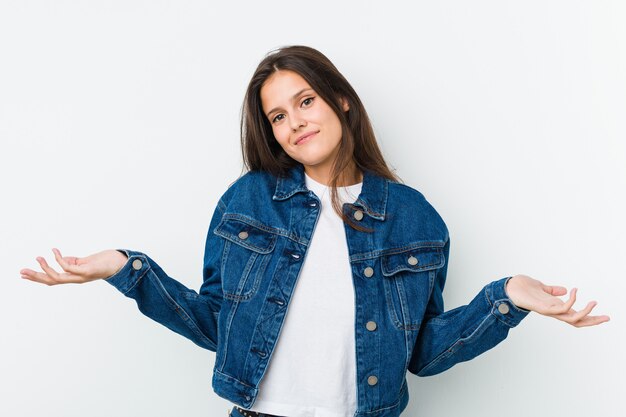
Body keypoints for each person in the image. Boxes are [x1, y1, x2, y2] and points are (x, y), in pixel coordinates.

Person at [20, 45, 609, 417]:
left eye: (305, 101)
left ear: (342, 102)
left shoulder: (413, 216)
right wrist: (128, 269)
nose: (294, 122)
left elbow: (422, 353)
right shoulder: (248, 200)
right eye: (278, 115)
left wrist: (503, 300)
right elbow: (215, 325)